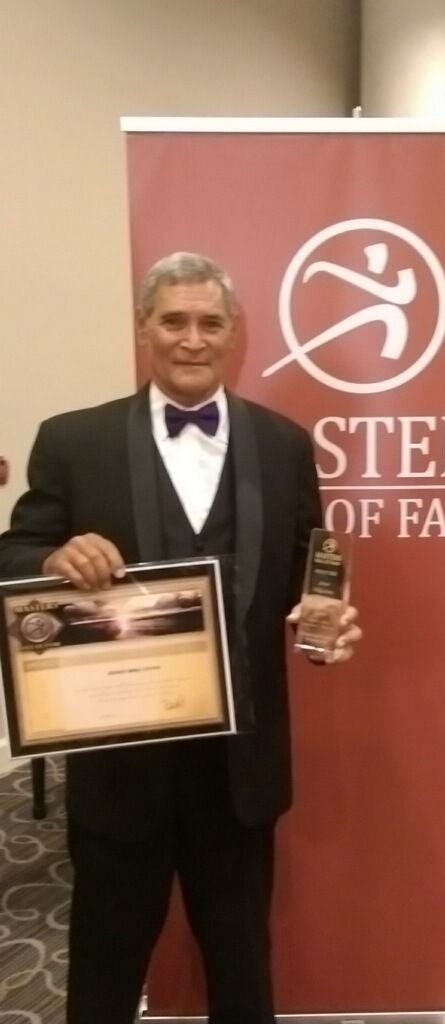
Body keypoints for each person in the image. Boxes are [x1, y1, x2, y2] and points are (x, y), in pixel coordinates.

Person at [0, 252, 361, 1024]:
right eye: (173, 321)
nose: (191, 339)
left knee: (241, 964)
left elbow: (310, 571)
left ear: (233, 333)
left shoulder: (284, 443)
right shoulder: (73, 439)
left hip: (238, 766)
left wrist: (327, 618)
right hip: (119, 758)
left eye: (209, 323)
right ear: (144, 329)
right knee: (103, 964)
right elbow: (14, 554)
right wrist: (53, 559)